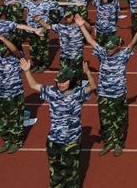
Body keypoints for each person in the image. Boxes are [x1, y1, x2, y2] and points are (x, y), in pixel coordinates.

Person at [20, 58, 96, 188]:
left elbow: (92, 87)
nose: (60, 84)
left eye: (63, 82)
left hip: (71, 141)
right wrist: (27, 71)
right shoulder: (52, 92)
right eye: (58, 81)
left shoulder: (78, 93)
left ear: (70, 81)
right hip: (54, 140)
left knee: (71, 175)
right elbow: (34, 86)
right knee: (55, 173)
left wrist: (87, 73)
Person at [76, 13, 137, 156]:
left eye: (111, 48)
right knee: (105, 120)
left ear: (119, 47)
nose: (108, 50)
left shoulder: (123, 55)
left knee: (120, 120)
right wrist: (82, 26)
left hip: (118, 94)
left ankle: (119, 143)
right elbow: (90, 40)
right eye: (108, 47)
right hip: (104, 94)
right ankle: (108, 142)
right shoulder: (102, 53)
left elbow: (132, 44)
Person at [0, 35, 24, 153]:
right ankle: (7, 140)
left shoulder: (18, 58)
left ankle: (16, 142)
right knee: (2, 121)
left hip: (14, 94)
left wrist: (4, 39)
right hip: (1, 94)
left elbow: (15, 50)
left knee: (15, 120)